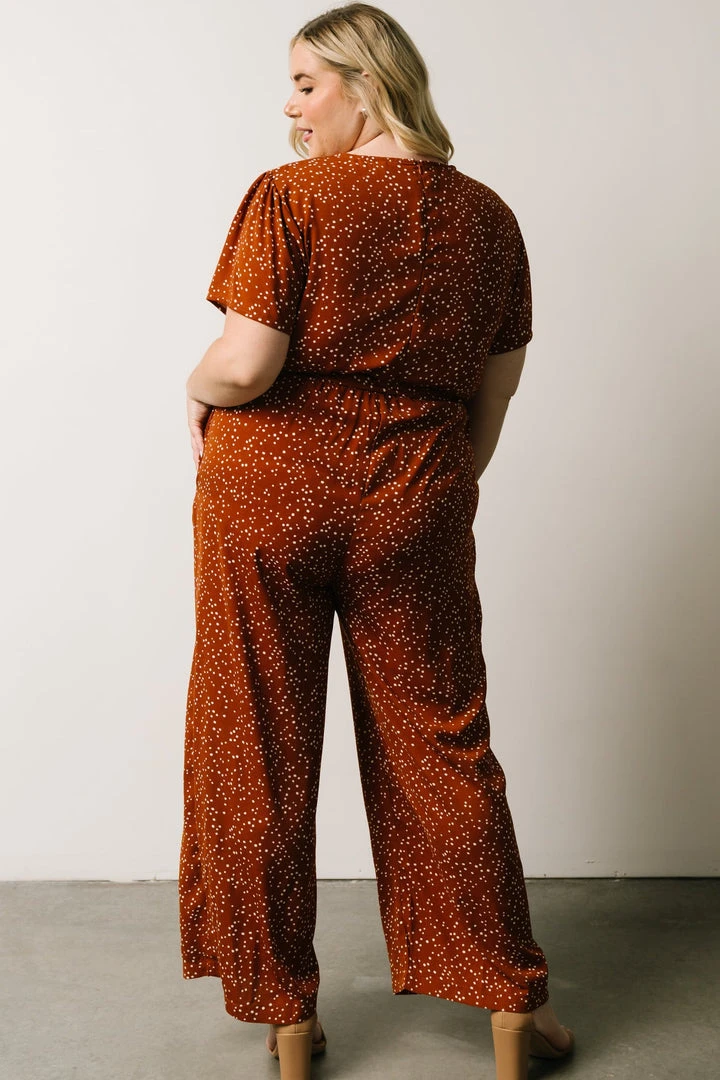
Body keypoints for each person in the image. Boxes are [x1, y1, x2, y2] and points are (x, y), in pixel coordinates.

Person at [179, 4, 575, 1079]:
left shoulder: (290, 197)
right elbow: (492, 399)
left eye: (307, 83)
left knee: (257, 738)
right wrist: (430, 494)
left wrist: (194, 385)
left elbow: (247, 364)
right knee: (441, 743)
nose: (291, 106)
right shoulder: (490, 220)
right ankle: (511, 1008)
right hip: (417, 493)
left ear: (366, 83)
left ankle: (287, 1020)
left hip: (268, 494)